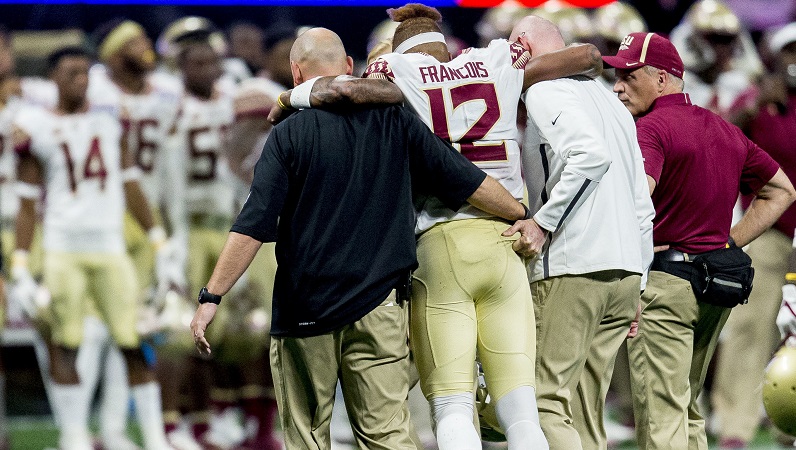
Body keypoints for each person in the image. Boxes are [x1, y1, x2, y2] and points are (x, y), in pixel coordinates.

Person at [271, 5, 601, 448]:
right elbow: (587, 57)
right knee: (521, 410)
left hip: (439, 242)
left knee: (452, 407)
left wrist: (286, 98)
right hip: (505, 241)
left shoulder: (395, 70)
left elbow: (346, 90)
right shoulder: (493, 60)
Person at [190, 27, 533, 450]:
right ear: (350, 67)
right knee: (388, 435)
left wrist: (211, 297)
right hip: (380, 306)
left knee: (308, 437)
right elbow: (464, 180)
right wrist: (523, 214)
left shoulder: (288, 132)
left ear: (296, 73)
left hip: (306, 308)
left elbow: (254, 222)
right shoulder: (395, 120)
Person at [603, 32, 796, 449]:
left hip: (665, 285)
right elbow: (782, 190)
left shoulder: (650, 128)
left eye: (628, 75)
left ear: (660, 78)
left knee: (662, 413)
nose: (617, 85)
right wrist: (728, 244)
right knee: (687, 408)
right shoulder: (723, 128)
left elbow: (637, 198)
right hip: (712, 284)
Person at [11, 46, 172, 450]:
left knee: (133, 340)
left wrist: (158, 239)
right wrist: (19, 263)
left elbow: (131, 181)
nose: (80, 80)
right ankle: (75, 437)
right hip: (64, 248)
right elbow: (27, 204)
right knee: (67, 343)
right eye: (70, 73)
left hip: (110, 246)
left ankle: (155, 440)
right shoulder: (35, 126)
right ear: (53, 79)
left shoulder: (108, 122)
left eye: (85, 72)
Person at [506, 16, 654, 450]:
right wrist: (640, 284)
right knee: (586, 409)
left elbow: (589, 157)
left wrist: (542, 222)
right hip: (624, 272)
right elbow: (642, 208)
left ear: (524, 47)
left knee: (544, 402)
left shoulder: (545, 89)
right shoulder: (613, 103)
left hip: (575, 268)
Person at [711, 22, 796, 448]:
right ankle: (735, 425)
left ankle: (788, 423)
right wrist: (754, 103)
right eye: (791, 51)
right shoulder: (757, 99)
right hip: (769, 229)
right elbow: (713, 137)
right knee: (749, 328)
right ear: (774, 56)